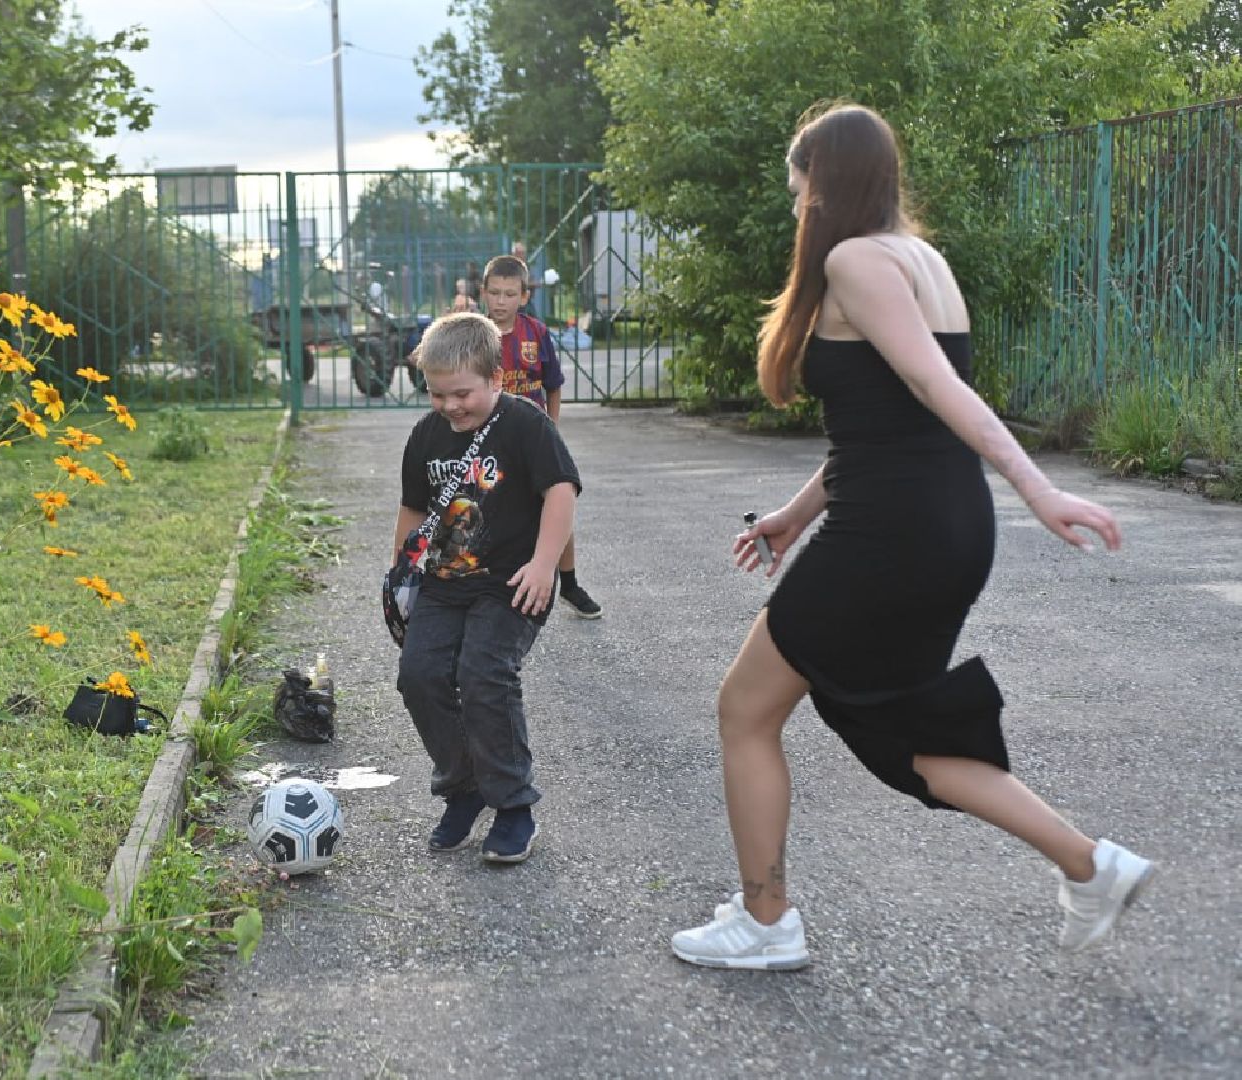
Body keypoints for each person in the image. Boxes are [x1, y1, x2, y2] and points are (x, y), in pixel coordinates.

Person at [671, 103, 1153, 971]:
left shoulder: (855, 261)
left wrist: (1039, 486)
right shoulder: (921, 259)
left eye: (797, 194)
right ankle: (1091, 864)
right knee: (905, 732)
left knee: (745, 710)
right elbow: (884, 426)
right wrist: (794, 512)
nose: (794, 213)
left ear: (826, 186)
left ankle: (765, 922)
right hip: (937, 522)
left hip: (893, 534)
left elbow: (938, 391)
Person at [395, 312, 581, 864]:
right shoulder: (426, 434)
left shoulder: (524, 424)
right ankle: (464, 787)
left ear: (496, 381)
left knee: (483, 675)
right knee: (419, 676)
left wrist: (546, 565)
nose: (451, 406)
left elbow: (562, 491)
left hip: (511, 585)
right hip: (444, 584)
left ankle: (513, 805)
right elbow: (411, 508)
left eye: (463, 394)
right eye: (436, 394)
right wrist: (401, 575)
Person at [482, 253, 603, 619]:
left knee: (556, 506)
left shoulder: (536, 333)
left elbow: (552, 385)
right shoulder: (474, 334)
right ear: (483, 293)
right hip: (490, 440)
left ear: (524, 296)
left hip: (534, 438)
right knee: (486, 513)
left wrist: (552, 427)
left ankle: (569, 583)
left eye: (509, 294)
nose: (501, 301)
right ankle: (491, 585)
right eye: (494, 293)